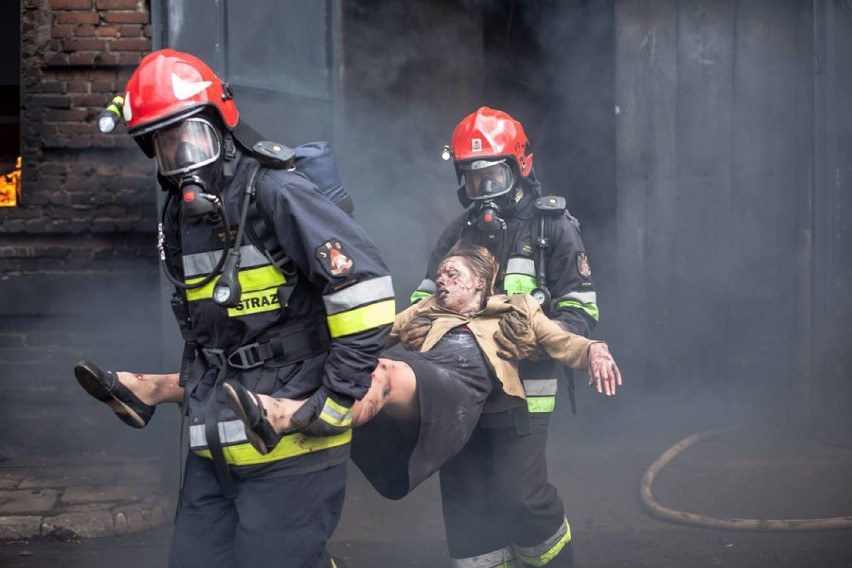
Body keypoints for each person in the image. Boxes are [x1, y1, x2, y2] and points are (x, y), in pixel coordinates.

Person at [76, 244, 621, 566]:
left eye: (455, 274)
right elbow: (369, 337)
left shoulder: (513, 309)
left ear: (482, 285)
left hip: (461, 389)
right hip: (426, 380)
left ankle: (287, 421)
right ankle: (147, 389)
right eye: (442, 272)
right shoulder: (424, 314)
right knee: (354, 368)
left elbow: (561, 340)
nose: (442, 279)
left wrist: (595, 349)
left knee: (379, 375)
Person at [76, 48, 396, 568]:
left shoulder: (276, 190)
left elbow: (367, 292)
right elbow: (211, 335)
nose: (183, 161)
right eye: (166, 147)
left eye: (191, 139)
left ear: (221, 125)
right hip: (214, 448)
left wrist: (336, 400)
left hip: (293, 446)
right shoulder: (182, 218)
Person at [406, 107, 602, 566]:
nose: (484, 191)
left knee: (521, 497)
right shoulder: (455, 234)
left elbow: (580, 306)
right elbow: (424, 301)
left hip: (525, 391)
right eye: (473, 181)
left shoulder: (552, 228)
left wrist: (544, 339)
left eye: (493, 176)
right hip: (459, 391)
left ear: (519, 167)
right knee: (465, 505)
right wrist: (416, 331)